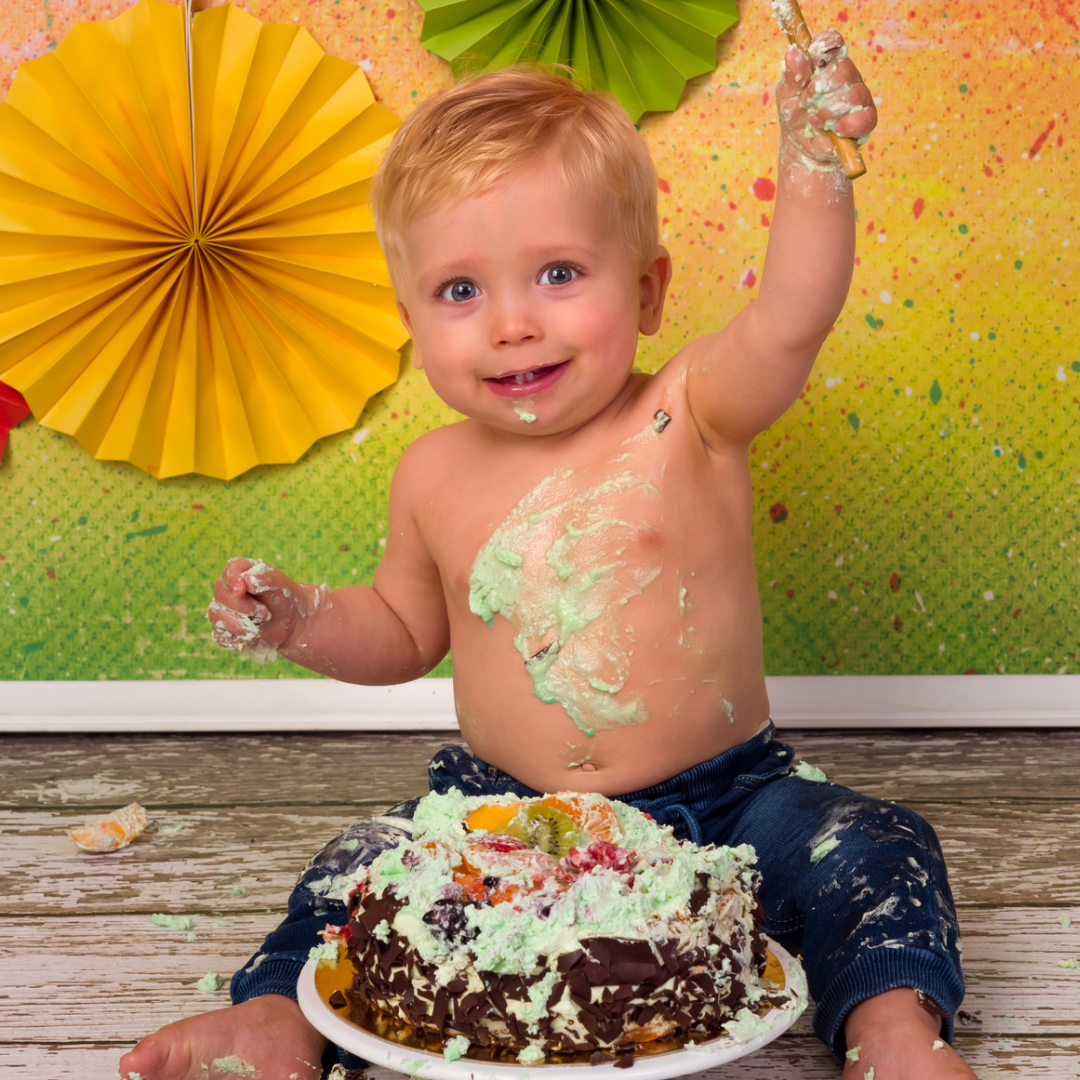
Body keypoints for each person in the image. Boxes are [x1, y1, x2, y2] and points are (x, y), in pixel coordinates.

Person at [120, 36, 979, 1080]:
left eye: (559, 274)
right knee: (356, 868)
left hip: (730, 801)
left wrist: (808, 158)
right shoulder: (433, 474)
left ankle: (889, 1030)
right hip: (502, 807)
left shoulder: (690, 412)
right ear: (409, 321)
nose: (513, 324)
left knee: (877, 846)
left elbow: (793, 319)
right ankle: (277, 1017)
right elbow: (401, 632)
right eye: (460, 292)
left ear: (651, 291)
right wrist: (304, 621)